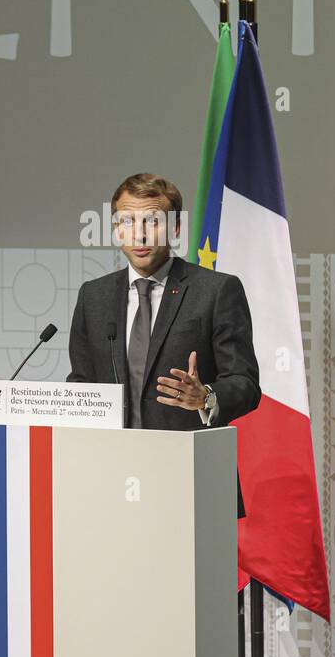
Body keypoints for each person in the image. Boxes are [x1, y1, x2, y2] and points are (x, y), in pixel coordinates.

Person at [67, 172, 261, 514]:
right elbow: (82, 383)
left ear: (174, 229)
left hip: (190, 477)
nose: (139, 233)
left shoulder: (216, 291)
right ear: (115, 229)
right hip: (107, 479)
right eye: (127, 221)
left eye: (152, 221)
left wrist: (207, 397)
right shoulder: (93, 297)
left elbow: (245, 384)